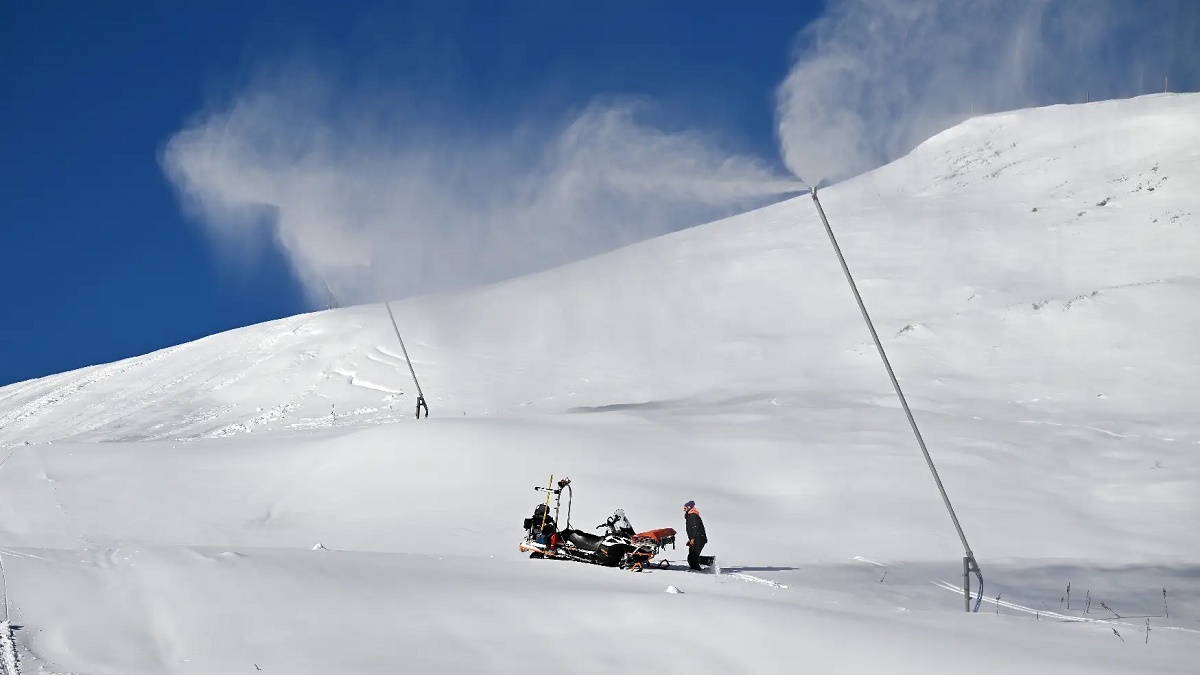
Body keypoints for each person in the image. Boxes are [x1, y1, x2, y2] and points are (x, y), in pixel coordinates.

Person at [683, 500, 707, 570]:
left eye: (685, 508)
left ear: (689, 507)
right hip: (697, 538)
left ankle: (697, 571)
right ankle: (710, 561)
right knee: (692, 556)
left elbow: (695, 527)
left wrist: (693, 538)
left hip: (699, 538)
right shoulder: (690, 515)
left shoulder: (692, 515)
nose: (684, 510)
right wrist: (690, 539)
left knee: (693, 557)